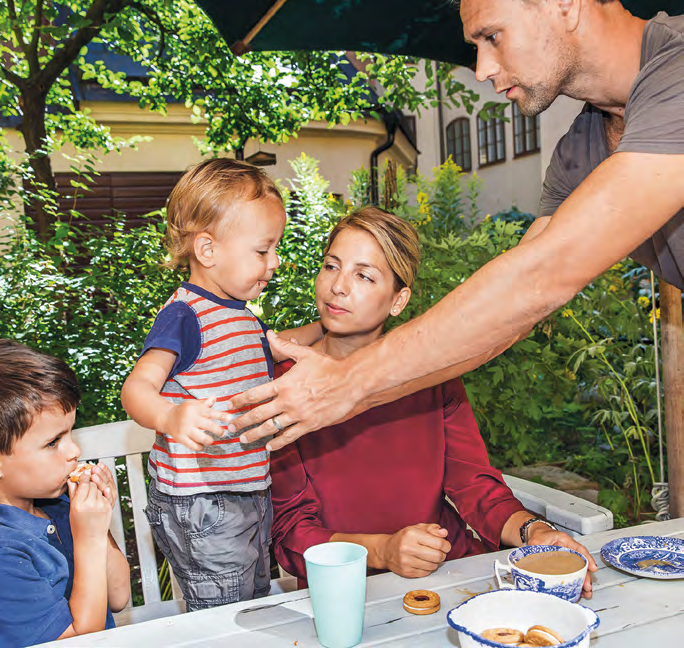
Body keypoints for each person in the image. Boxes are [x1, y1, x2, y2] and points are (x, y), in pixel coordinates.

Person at [223, 0, 684, 451]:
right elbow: (514, 313)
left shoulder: (677, 71)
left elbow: (542, 276)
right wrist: (345, 383)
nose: (481, 68)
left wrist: (351, 381)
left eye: (492, 36)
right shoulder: (577, 153)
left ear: (563, 4)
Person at [270, 207, 597, 596]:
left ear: (398, 299)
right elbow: (290, 530)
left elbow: (474, 484)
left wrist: (535, 531)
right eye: (331, 266)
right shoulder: (286, 384)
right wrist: (382, 551)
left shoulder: (431, 378)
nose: (338, 286)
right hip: (344, 596)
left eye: (364, 275)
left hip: (449, 578)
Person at [120, 158, 321, 611]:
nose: (276, 261)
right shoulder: (185, 314)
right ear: (207, 250)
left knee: (250, 602)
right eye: (263, 250)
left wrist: (329, 328)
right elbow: (136, 389)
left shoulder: (240, 316)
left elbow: (276, 347)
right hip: (204, 501)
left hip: (247, 489)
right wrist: (171, 415)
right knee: (224, 617)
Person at [0, 340, 130, 647]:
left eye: (71, 433)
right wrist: (89, 537)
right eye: (52, 442)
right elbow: (77, 642)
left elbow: (119, 595)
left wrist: (98, 525)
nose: (75, 451)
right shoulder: (6, 554)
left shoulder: (59, 506)